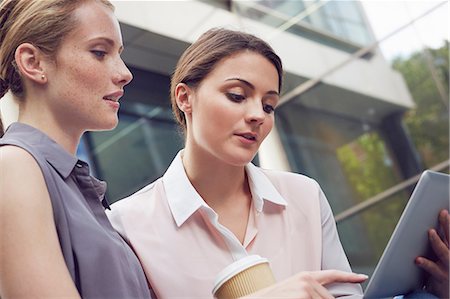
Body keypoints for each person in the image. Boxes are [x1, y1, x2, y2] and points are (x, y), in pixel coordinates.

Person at [107, 28, 369, 299]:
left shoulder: (305, 196)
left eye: (269, 105)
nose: (258, 115)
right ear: (185, 97)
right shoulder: (126, 225)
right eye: (237, 95)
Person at [0, 0, 151, 298]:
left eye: (118, 55)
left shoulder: (70, 184)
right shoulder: (14, 167)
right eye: (99, 52)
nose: (124, 73)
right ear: (33, 62)